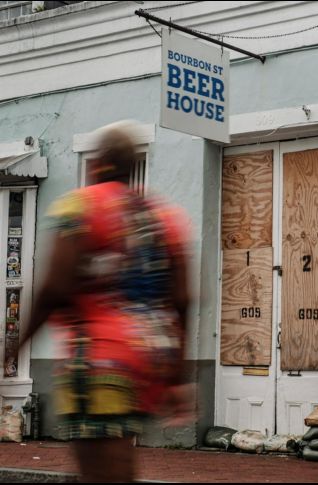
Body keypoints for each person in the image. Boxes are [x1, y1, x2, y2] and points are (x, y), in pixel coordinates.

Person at [19, 121, 194, 483]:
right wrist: (177, 375)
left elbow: (54, 288)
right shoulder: (165, 219)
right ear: (134, 168)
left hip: (98, 361)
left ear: (98, 165)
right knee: (116, 464)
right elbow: (182, 300)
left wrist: (14, 347)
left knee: (102, 473)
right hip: (148, 360)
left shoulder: (79, 208)